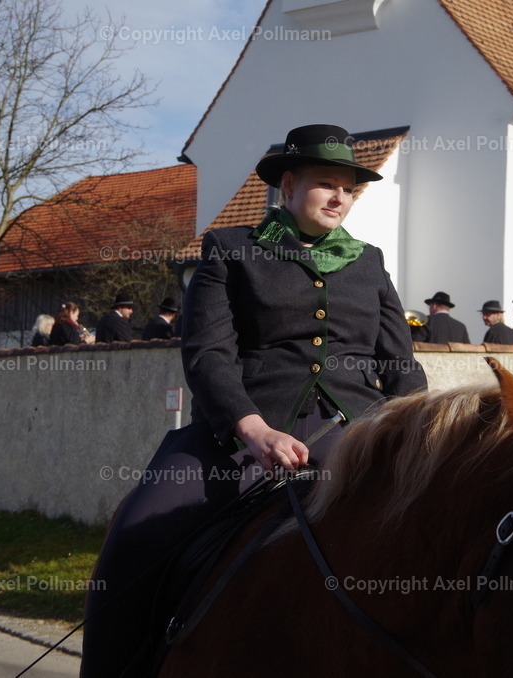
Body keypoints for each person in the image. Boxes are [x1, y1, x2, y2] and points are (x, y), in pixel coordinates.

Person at [80, 124, 428, 677]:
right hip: (243, 436)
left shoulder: (370, 262)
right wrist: (253, 428)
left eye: (349, 188)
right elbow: (208, 354)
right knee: (137, 534)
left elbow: (400, 366)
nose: (340, 196)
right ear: (288, 185)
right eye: (326, 183)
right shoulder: (230, 250)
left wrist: (417, 433)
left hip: (355, 433)